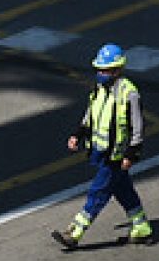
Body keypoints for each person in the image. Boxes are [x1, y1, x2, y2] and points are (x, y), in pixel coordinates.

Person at [53, 43, 153, 250]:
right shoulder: (99, 88)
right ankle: (141, 226)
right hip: (100, 151)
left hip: (115, 155)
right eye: (99, 69)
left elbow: (137, 126)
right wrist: (78, 133)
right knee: (122, 189)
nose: (101, 73)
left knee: (98, 192)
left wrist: (132, 153)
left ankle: (75, 232)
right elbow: (91, 114)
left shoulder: (129, 93)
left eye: (105, 70)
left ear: (117, 70)